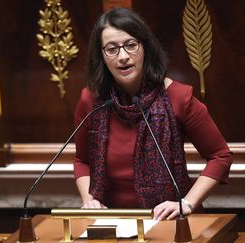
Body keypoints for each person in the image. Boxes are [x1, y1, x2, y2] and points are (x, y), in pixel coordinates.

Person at [73, 7, 232, 220]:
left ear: (145, 47)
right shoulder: (91, 101)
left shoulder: (178, 97)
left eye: (131, 45)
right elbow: (82, 160)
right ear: (101, 56)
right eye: (111, 49)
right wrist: (89, 200)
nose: (122, 57)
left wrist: (186, 203)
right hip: (111, 222)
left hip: (171, 221)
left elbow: (220, 156)